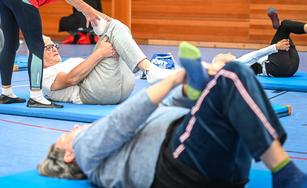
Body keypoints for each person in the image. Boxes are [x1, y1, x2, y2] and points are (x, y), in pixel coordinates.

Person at [38, 42, 307, 188]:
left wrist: (185, 89)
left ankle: (201, 83)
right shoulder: (86, 154)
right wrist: (171, 79)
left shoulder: (106, 154)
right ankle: (285, 173)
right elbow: (122, 120)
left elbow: (166, 111)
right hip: (178, 165)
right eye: (65, 136)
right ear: (69, 155)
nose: (73, 128)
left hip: (217, 170)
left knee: (231, 76)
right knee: (232, 75)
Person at [0, 0, 109, 108]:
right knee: (36, 44)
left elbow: (78, 2)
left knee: (11, 43)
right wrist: (89, 11)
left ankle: (6, 93)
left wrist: (100, 16)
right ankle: (36, 96)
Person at [41, 19, 181, 105]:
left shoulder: (68, 61)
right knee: (114, 27)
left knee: (121, 28)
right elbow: (71, 79)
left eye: (54, 45)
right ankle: (149, 70)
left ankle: (100, 27)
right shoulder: (43, 75)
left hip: (122, 89)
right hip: (93, 93)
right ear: (38, 58)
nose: (54, 49)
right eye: (48, 48)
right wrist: (100, 53)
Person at [213, 7, 307, 77]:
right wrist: (276, 47)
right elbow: (255, 55)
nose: (228, 53)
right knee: (285, 25)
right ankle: (278, 27)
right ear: (222, 64)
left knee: (284, 31)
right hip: (277, 69)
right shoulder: (237, 63)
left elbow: (260, 57)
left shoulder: (238, 67)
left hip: (291, 67)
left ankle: (278, 27)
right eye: (223, 55)